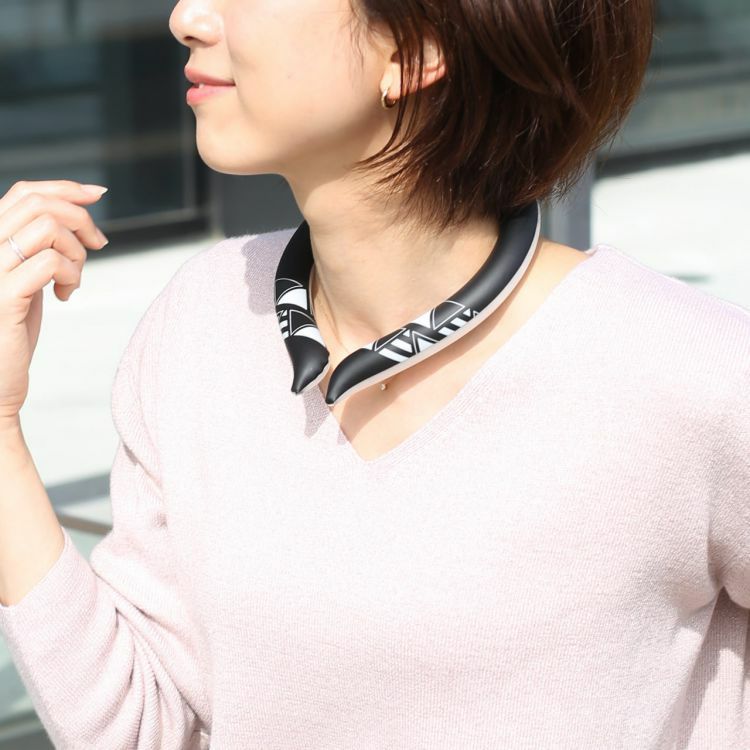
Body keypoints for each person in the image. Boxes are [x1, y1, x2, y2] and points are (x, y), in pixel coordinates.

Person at [0, 0, 747, 748]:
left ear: (416, 49)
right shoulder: (198, 322)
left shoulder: (687, 373)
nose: (185, 17)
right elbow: (142, 730)